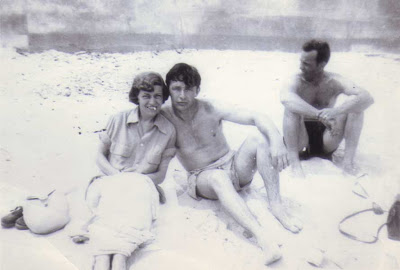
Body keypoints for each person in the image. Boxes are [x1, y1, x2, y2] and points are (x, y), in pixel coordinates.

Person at [161, 63, 303, 265]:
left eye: (188, 89)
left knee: (259, 139)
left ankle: (276, 205)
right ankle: (262, 237)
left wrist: (277, 140)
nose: (182, 95)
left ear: (197, 90)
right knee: (218, 177)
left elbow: (256, 116)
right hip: (203, 177)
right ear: (169, 89)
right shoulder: (165, 117)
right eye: (176, 89)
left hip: (232, 167)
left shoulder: (210, 108)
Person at [77, 72, 176, 270]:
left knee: (119, 251)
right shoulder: (117, 120)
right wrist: (121, 178)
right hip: (108, 183)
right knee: (105, 253)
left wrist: (134, 181)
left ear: (163, 98)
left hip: (143, 188)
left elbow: (161, 175)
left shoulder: (169, 130)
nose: (152, 101)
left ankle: (117, 255)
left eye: (157, 96)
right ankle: (105, 258)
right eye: (146, 96)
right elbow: (99, 157)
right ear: (136, 97)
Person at [281, 39, 374, 177]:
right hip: (300, 138)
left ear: (321, 65)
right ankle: (295, 165)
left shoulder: (335, 81)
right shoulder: (296, 80)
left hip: (327, 137)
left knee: (356, 107)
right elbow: (286, 98)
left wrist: (336, 111)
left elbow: (367, 97)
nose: (300, 66)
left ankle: (348, 164)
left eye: (306, 64)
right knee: (291, 108)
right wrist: (319, 115)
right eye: (301, 61)